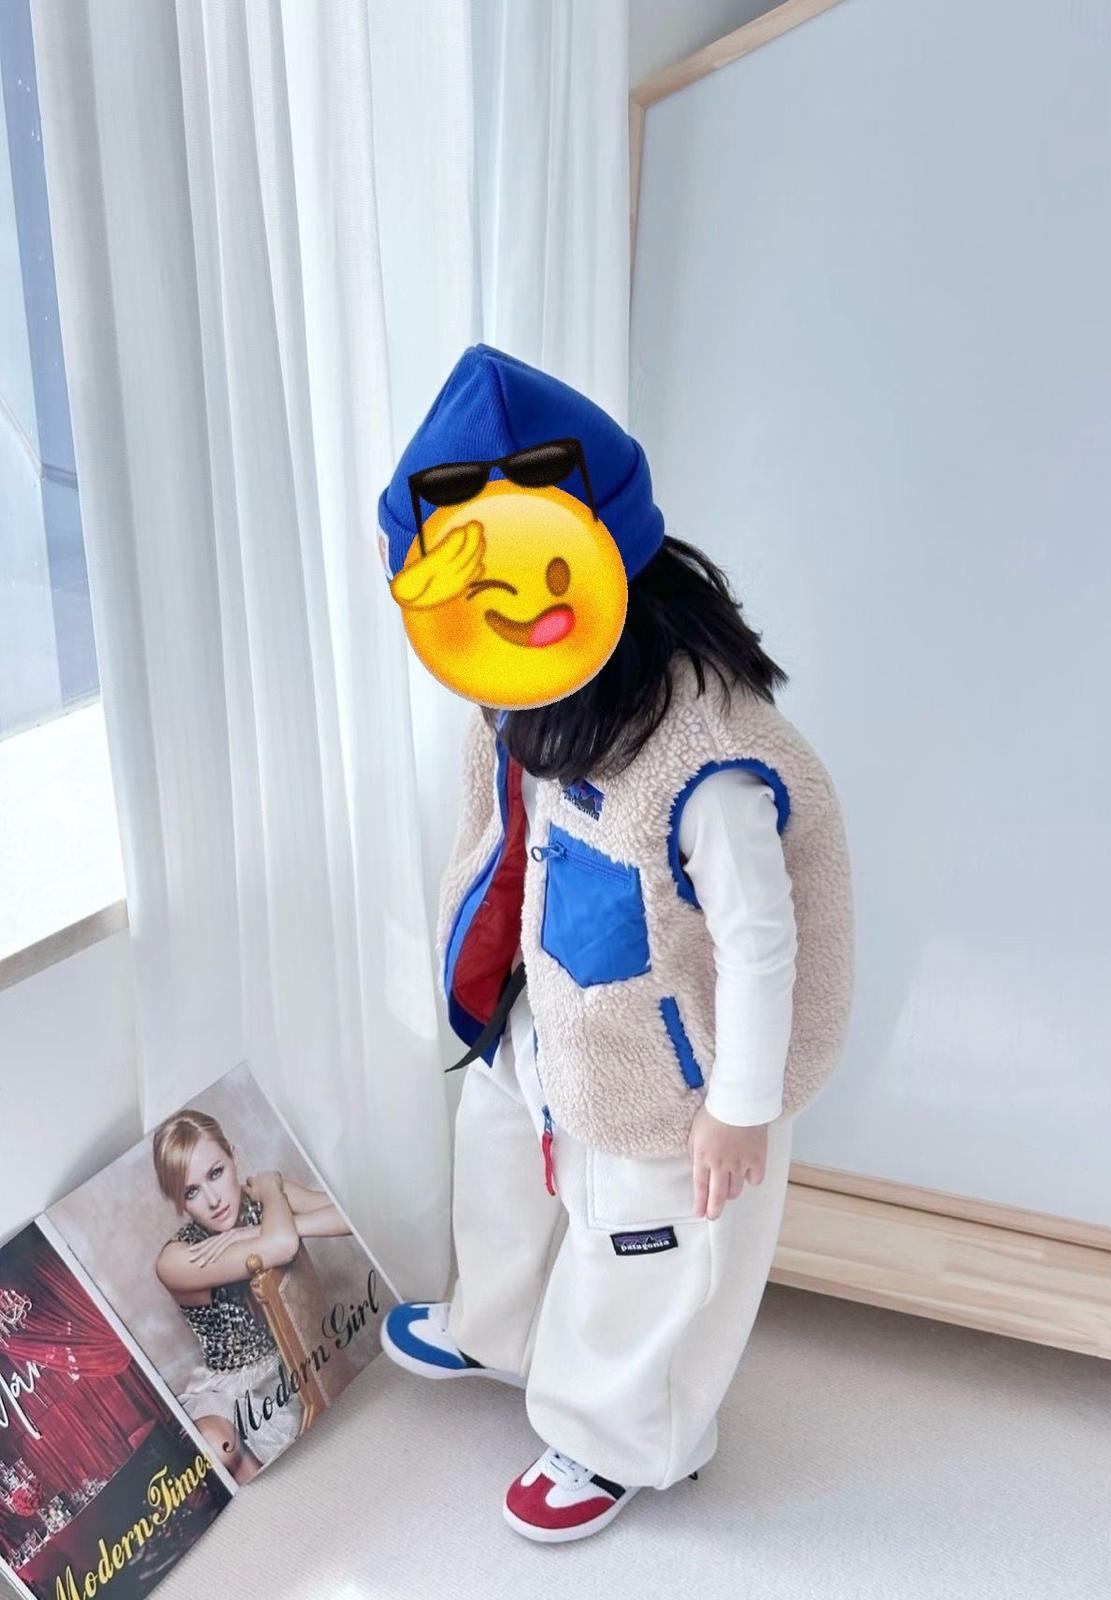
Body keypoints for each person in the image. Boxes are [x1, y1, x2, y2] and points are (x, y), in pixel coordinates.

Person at [375, 344, 855, 1542]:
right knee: (501, 1155)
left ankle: (618, 1435)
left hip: (675, 1066)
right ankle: (497, 1326)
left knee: (646, 1245)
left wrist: (738, 1107)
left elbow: (762, 943)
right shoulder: (531, 695)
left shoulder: (707, 761)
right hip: (560, 1004)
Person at [152, 1109, 352, 1482]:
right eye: (191, 1192)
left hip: (295, 1359)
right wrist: (272, 1192)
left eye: (216, 1173)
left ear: (234, 1157)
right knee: (216, 1446)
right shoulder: (178, 1258)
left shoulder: (263, 1203)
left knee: (323, 1432)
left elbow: (349, 1215)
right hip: (231, 1389)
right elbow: (281, 1245)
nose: (213, 1199)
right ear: (179, 1203)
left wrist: (253, 1228)